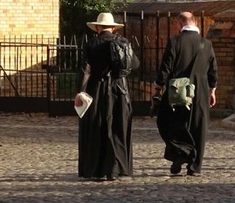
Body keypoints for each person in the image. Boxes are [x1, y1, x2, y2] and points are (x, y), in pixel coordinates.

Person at [75, 12, 138, 181]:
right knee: (118, 127)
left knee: (98, 127)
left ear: (97, 27)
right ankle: (119, 168)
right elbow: (135, 64)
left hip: (97, 89)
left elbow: (85, 70)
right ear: (113, 28)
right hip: (119, 89)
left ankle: (97, 169)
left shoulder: (92, 43)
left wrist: (80, 91)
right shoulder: (123, 42)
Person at [153, 12, 218, 176]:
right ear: (195, 22)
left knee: (169, 122)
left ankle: (182, 152)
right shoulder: (206, 43)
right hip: (201, 90)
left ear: (179, 24)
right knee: (198, 126)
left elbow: (166, 67)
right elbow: (213, 70)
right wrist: (213, 90)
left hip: (178, 90)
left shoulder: (175, 41)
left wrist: (158, 87)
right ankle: (195, 167)